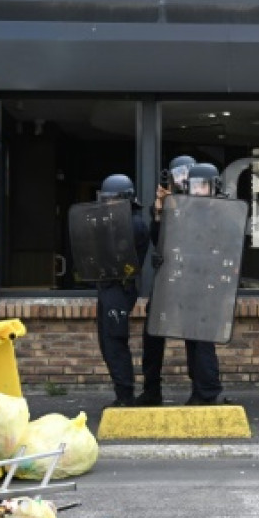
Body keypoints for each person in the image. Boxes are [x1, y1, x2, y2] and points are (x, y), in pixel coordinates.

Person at [139, 159, 233, 406]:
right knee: (153, 334)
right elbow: (160, 241)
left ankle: (206, 391)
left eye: (201, 184)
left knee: (199, 339)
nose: (192, 186)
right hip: (173, 279)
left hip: (201, 281)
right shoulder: (175, 205)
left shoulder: (218, 208)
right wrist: (160, 210)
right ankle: (151, 390)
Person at [94, 173, 150, 408]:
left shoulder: (134, 224)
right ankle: (122, 393)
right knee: (107, 341)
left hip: (120, 286)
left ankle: (125, 396)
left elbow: (123, 258)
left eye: (112, 200)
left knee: (115, 341)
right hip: (110, 286)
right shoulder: (117, 221)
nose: (108, 204)